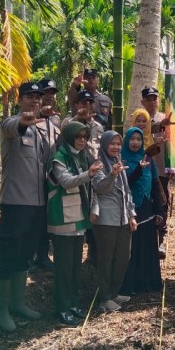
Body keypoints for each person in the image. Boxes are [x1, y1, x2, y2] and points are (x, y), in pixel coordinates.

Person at [0, 82, 46, 332]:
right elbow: (13, 127)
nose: (34, 101)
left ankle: (17, 302)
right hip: (15, 203)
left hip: (37, 205)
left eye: (37, 97)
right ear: (19, 99)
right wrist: (23, 122)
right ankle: (0, 308)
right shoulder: (10, 125)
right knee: (8, 255)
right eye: (29, 96)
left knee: (25, 254)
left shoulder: (41, 131)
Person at [46, 121, 100, 326]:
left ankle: (72, 303)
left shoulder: (81, 156)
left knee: (75, 266)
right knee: (63, 267)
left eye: (85, 137)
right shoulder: (59, 157)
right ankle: (61, 308)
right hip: (62, 217)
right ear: (69, 137)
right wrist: (89, 174)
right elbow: (66, 181)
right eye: (78, 137)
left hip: (78, 217)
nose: (82, 140)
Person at [90, 131, 138, 311]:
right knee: (106, 258)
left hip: (124, 218)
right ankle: (105, 297)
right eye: (112, 143)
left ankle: (114, 292)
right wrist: (112, 175)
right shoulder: (98, 164)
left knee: (123, 257)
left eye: (118, 144)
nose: (116, 147)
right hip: (106, 219)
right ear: (104, 145)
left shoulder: (119, 162)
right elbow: (99, 188)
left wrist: (132, 215)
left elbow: (126, 192)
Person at [119, 127, 166, 295]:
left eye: (139, 139)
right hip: (130, 209)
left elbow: (154, 185)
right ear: (126, 141)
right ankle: (131, 285)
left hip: (147, 208)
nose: (135, 142)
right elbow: (125, 184)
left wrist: (159, 211)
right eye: (132, 139)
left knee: (147, 245)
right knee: (132, 248)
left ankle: (147, 284)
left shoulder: (148, 160)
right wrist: (138, 169)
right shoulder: (122, 160)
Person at [66, 90, 105, 266]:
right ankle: (74, 253)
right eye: (83, 103)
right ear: (76, 105)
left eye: (90, 103)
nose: (87, 106)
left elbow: (100, 150)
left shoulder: (98, 126)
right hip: (75, 173)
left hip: (94, 174)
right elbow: (64, 135)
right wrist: (77, 118)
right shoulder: (69, 123)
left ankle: (94, 252)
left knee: (94, 211)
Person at [32, 77, 61, 272]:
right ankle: (28, 256)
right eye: (46, 93)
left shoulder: (56, 119)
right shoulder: (31, 118)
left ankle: (42, 255)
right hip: (32, 178)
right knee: (31, 219)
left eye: (52, 93)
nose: (49, 97)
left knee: (45, 219)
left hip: (51, 178)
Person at [141, 86, 172, 257]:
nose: (152, 102)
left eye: (155, 98)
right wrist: (160, 126)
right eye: (149, 99)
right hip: (144, 169)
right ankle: (146, 240)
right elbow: (144, 129)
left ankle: (160, 240)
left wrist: (172, 165)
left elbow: (172, 143)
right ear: (142, 102)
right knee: (146, 203)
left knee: (162, 202)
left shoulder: (165, 118)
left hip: (161, 169)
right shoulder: (139, 117)